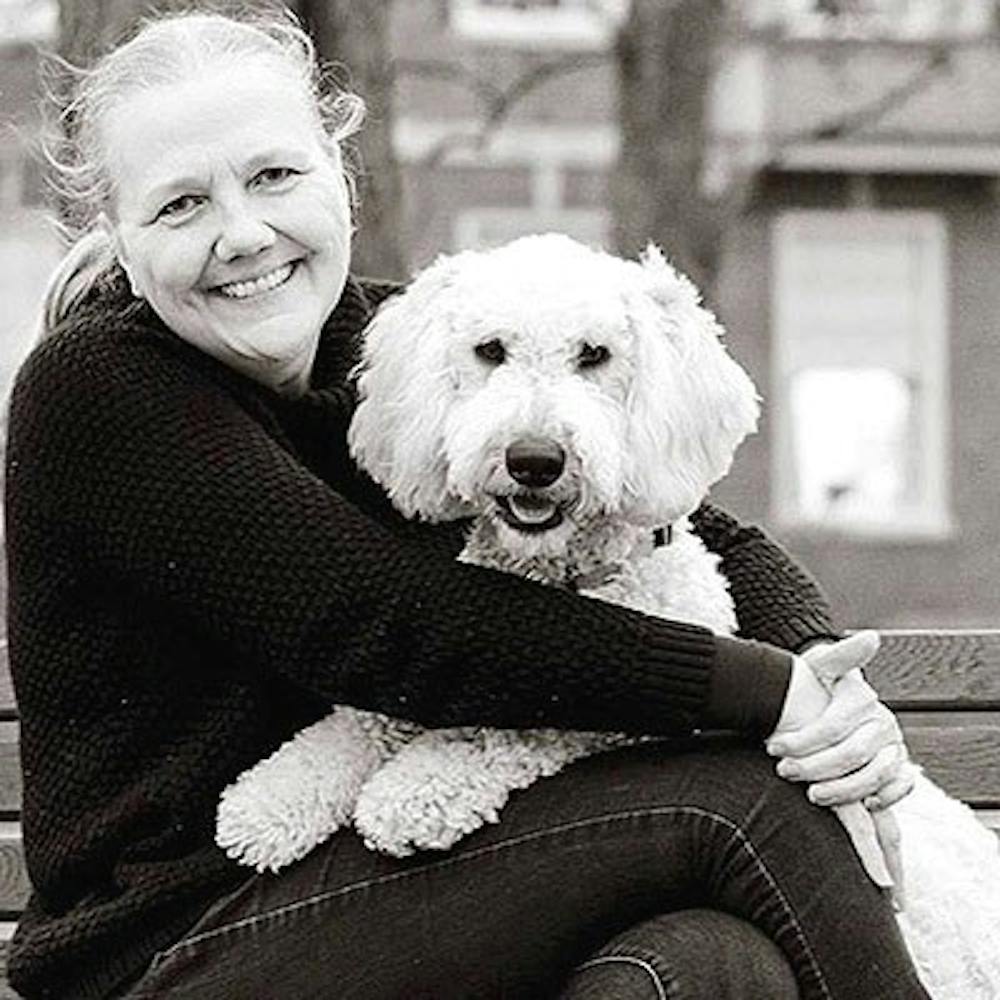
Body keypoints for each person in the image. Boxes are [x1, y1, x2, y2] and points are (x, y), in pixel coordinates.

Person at [2, 9, 926, 1000]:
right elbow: (390, 627)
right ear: (120, 240)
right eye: (181, 205)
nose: (242, 233)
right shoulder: (98, 389)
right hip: (176, 949)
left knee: (702, 964)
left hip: (384, 893)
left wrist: (819, 687)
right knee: (741, 808)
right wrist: (764, 693)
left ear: (339, 178)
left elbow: (706, 532)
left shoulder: (411, 350)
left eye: (273, 176)